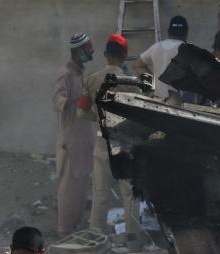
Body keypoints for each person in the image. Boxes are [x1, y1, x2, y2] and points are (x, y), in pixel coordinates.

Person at [81, 34, 140, 238]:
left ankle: (95, 237)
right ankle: (132, 240)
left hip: (101, 141)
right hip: (124, 143)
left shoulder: (91, 79)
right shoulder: (132, 82)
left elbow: (81, 111)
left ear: (106, 55)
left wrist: (97, 117)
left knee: (100, 193)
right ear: (124, 55)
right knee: (130, 194)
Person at [53, 32, 97, 236]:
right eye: (89, 48)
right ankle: (64, 230)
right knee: (68, 186)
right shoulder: (66, 73)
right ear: (79, 51)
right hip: (70, 139)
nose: (92, 51)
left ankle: (75, 225)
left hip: (83, 138)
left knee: (80, 185)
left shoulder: (81, 73)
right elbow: (58, 101)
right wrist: (77, 100)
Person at [133, 15, 188, 100]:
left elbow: (137, 65)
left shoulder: (156, 47)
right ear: (186, 33)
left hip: (157, 102)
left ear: (169, 31)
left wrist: (153, 83)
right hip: (177, 105)